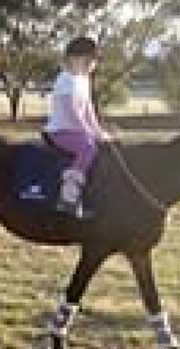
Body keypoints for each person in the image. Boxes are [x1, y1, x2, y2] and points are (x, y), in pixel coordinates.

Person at [44, 36, 110, 218]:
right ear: (75, 59)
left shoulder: (84, 80)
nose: (92, 64)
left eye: (93, 61)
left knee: (101, 146)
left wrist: (98, 131)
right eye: (88, 60)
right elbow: (72, 111)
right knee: (87, 148)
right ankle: (68, 197)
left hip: (77, 130)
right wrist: (88, 132)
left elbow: (88, 109)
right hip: (61, 130)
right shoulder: (65, 80)